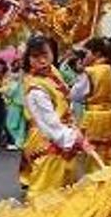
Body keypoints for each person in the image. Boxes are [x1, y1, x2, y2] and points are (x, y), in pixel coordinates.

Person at [21, 36, 97, 197]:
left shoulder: (53, 72)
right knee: (48, 194)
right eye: (35, 56)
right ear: (28, 58)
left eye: (45, 54)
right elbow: (49, 124)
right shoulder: (36, 89)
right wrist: (74, 139)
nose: (42, 60)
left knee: (69, 192)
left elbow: (69, 98)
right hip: (48, 140)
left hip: (63, 134)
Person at [71, 37, 111, 172]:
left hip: (95, 117)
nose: (84, 57)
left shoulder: (91, 72)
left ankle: (98, 184)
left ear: (97, 54)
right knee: (109, 153)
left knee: (93, 155)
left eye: (87, 53)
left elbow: (75, 94)